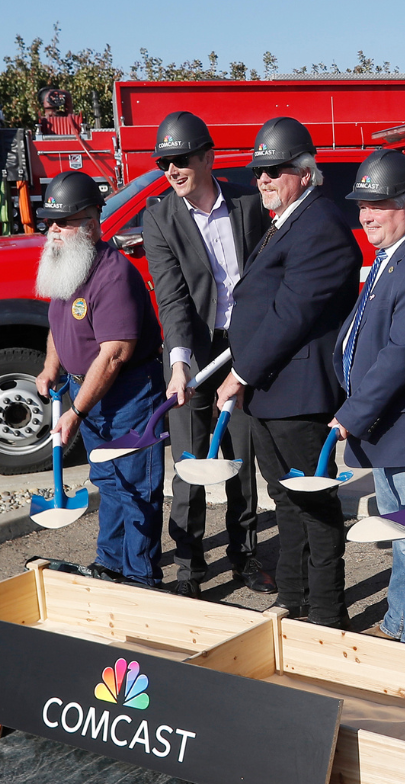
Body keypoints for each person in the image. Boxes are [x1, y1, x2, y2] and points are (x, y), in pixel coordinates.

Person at [217, 117, 361, 628]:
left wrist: (241, 374)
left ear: (304, 171)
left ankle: (326, 612)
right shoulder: (290, 219)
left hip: (298, 393)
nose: (262, 179)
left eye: (274, 170)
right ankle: (294, 598)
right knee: (284, 499)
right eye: (258, 171)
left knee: (314, 504)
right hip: (272, 390)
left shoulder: (320, 224)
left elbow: (291, 313)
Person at [143, 110, 276, 598]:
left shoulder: (248, 203)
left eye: (180, 160)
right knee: (189, 466)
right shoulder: (159, 218)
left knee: (240, 459)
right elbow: (172, 298)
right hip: (193, 354)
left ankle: (244, 555)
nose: (171, 171)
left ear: (208, 157)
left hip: (244, 347)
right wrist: (179, 363)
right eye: (164, 163)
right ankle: (189, 568)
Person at [333, 149, 405, 648]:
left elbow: (402, 353)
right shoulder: (393, 255)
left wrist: (352, 413)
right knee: (399, 535)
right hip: (388, 425)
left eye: (377, 205)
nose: (366, 215)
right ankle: (399, 623)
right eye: (362, 205)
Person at [32, 171, 165, 586]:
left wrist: (76, 411)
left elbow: (114, 355)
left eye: (63, 221)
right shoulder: (67, 265)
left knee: (135, 485)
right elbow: (59, 325)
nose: (54, 230)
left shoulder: (113, 274)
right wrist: (51, 366)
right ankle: (110, 564)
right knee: (107, 480)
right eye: (50, 221)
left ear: (91, 225)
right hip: (86, 390)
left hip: (127, 393)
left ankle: (141, 578)